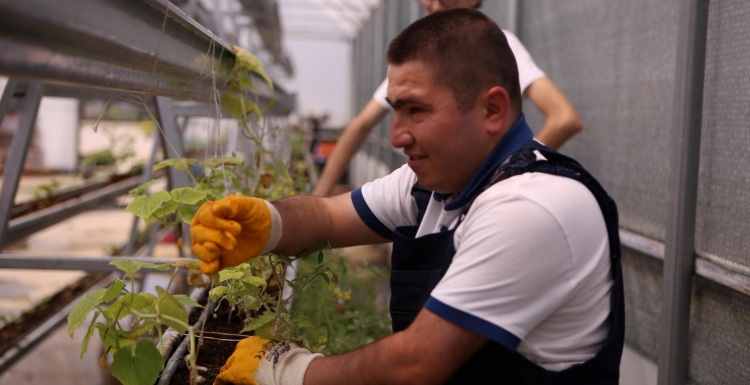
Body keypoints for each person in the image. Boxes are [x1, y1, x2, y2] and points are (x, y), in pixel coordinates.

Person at [191, 8, 623, 385]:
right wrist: (269, 223)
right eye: (395, 109)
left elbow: (415, 365)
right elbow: (326, 216)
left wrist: (287, 370)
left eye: (417, 109)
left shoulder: (531, 207)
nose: (397, 136)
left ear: (491, 109)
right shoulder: (435, 184)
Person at [311, 0, 583, 197]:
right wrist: (319, 199)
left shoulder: (497, 45)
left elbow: (564, 119)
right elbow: (360, 126)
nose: (433, 5)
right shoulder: (426, 57)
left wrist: (504, 176)